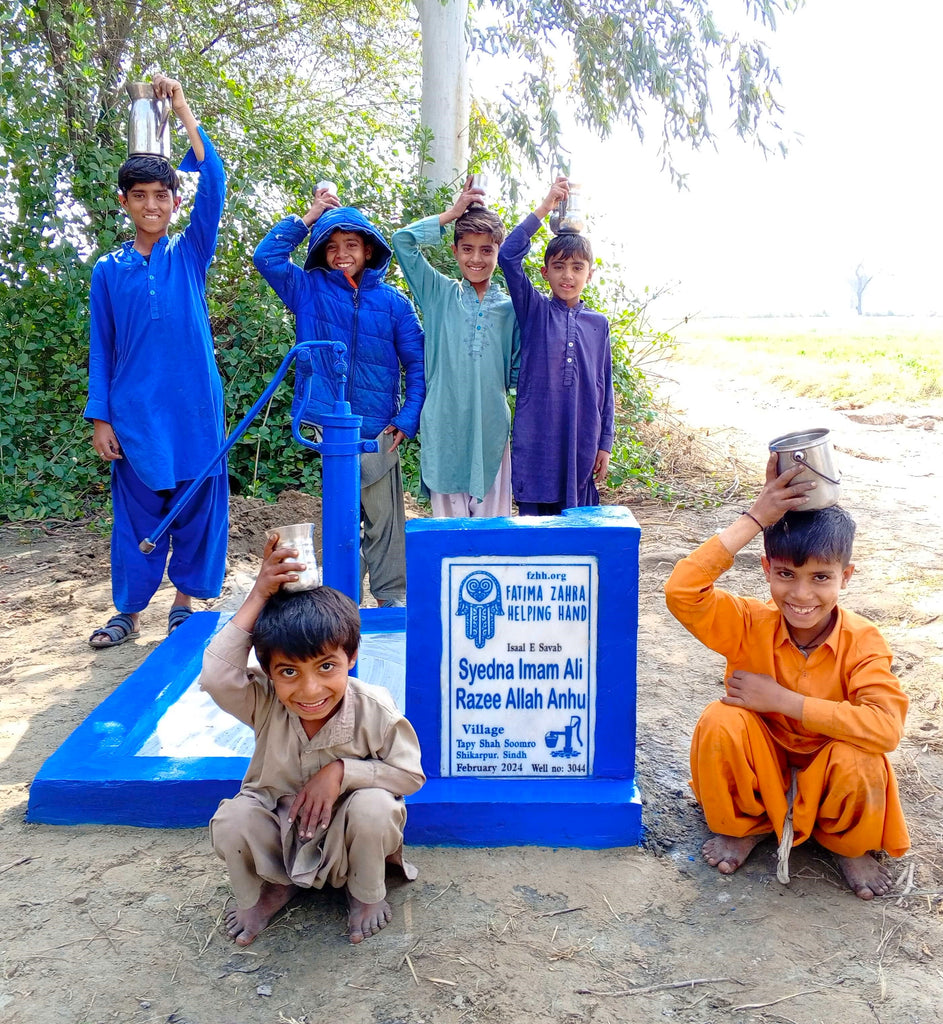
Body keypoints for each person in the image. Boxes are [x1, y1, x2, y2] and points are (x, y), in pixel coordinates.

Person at [664, 456, 910, 900]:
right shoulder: (747, 622)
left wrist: (782, 700)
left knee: (863, 757)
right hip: (762, 769)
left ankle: (847, 845)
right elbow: (682, 592)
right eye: (785, 574)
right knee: (721, 721)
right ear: (766, 570)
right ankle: (747, 826)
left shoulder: (863, 640)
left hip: (832, 775)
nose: (801, 595)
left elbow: (886, 729)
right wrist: (757, 517)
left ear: (845, 577)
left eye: (820, 577)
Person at [200, 535, 425, 945]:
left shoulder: (374, 707)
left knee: (374, 806)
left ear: (352, 657)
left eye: (326, 666)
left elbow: (409, 777)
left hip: (347, 839)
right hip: (282, 834)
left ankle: (365, 892)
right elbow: (216, 676)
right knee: (233, 820)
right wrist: (259, 593)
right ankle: (269, 891)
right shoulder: (264, 703)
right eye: (288, 672)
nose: (309, 690)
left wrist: (344, 772)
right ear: (266, 670)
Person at [85, 74, 227, 648]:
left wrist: (184, 107)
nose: (151, 205)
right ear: (124, 202)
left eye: (161, 196)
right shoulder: (108, 270)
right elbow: (102, 346)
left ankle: (187, 603)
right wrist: (102, 415)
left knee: (196, 507)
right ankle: (128, 611)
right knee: (138, 515)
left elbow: (214, 178)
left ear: (174, 202)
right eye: (139, 196)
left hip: (194, 409)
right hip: (136, 414)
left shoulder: (190, 252)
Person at [253, 192, 424, 607]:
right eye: (331, 246)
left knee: (385, 522)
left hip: (378, 430)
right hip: (329, 428)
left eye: (351, 245)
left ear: (369, 249)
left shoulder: (394, 304)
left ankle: (392, 598)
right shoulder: (307, 289)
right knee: (342, 520)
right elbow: (266, 256)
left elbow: (418, 365)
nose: (342, 253)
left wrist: (407, 419)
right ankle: (342, 598)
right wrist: (310, 215)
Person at [391, 181, 520, 516]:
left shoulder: (511, 310)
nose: (476, 258)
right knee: (449, 540)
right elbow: (402, 242)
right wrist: (451, 214)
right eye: (467, 248)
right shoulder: (438, 295)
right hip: (444, 431)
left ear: (499, 252)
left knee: (492, 540)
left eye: (487, 250)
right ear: (454, 251)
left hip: (490, 434)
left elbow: (520, 373)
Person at [497, 177, 614, 516]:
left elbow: (604, 388)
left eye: (577, 268)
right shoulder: (534, 310)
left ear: (589, 274)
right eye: (559, 267)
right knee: (535, 539)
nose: (568, 275)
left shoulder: (598, 325)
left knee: (576, 537)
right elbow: (507, 256)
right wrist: (546, 207)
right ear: (545, 273)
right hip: (537, 441)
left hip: (581, 440)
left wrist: (604, 443)